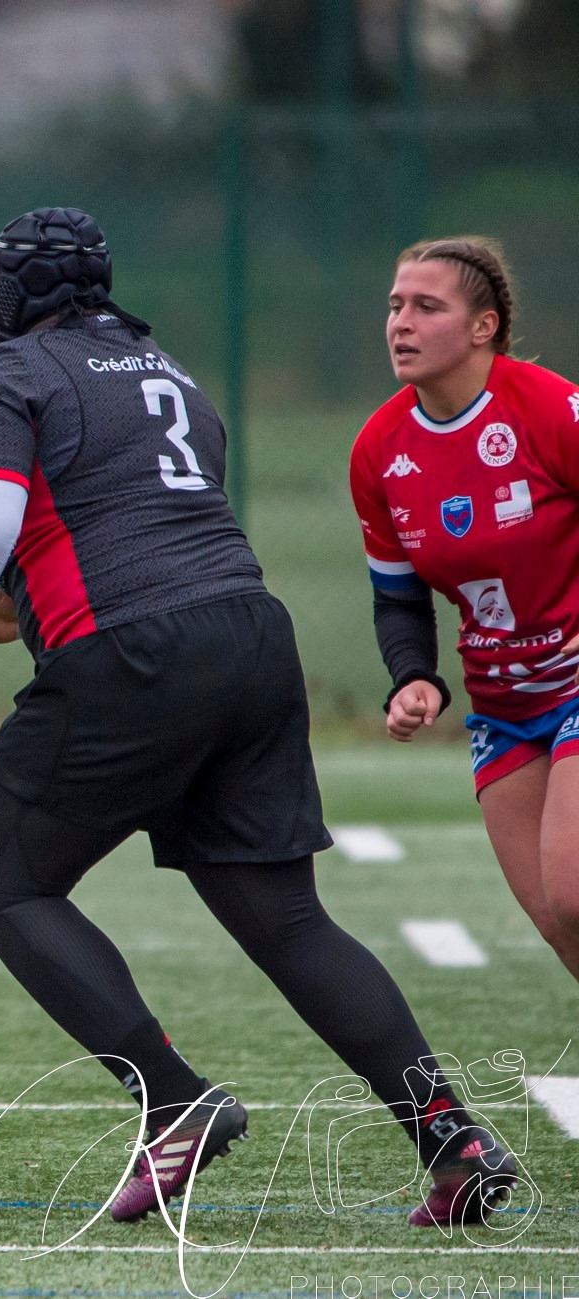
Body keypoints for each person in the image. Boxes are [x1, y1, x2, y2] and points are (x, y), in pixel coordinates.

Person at [0, 208, 518, 1228]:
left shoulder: (6, 372)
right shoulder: (164, 370)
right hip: (248, 639)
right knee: (287, 920)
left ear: (8, 296)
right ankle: (451, 1140)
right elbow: (137, 523)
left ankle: (173, 1099)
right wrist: (29, 611)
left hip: (136, 657)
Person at [352, 236, 579, 985]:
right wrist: (414, 676)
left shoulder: (547, 407)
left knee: (575, 891)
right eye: (394, 306)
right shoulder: (380, 450)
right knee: (559, 924)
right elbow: (398, 598)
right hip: (504, 705)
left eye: (426, 306)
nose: (401, 323)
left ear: (482, 327)